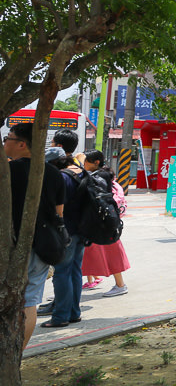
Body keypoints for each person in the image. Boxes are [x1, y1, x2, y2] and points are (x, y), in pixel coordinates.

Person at [5, 123, 66, 349]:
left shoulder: (8, 172)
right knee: (30, 301)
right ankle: (17, 355)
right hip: (42, 245)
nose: (5, 143)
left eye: (8, 138)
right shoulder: (53, 173)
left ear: (21, 143)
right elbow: (60, 214)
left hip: (10, 244)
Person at [38, 131, 89, 328]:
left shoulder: (61, 178)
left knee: (61, 273)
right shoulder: (81, 172)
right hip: (82, 230)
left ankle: (60, 317)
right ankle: (74, 312)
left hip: (65, 232)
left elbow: (55, 208)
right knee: (75, 271)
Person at [81, 162, 131, 297]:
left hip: (104, 226)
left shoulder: (104, 190)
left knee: (102, 255)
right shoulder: (115, 188)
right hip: (111, 226)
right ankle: (117, 284)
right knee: (109, 256)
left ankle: (118, 284)